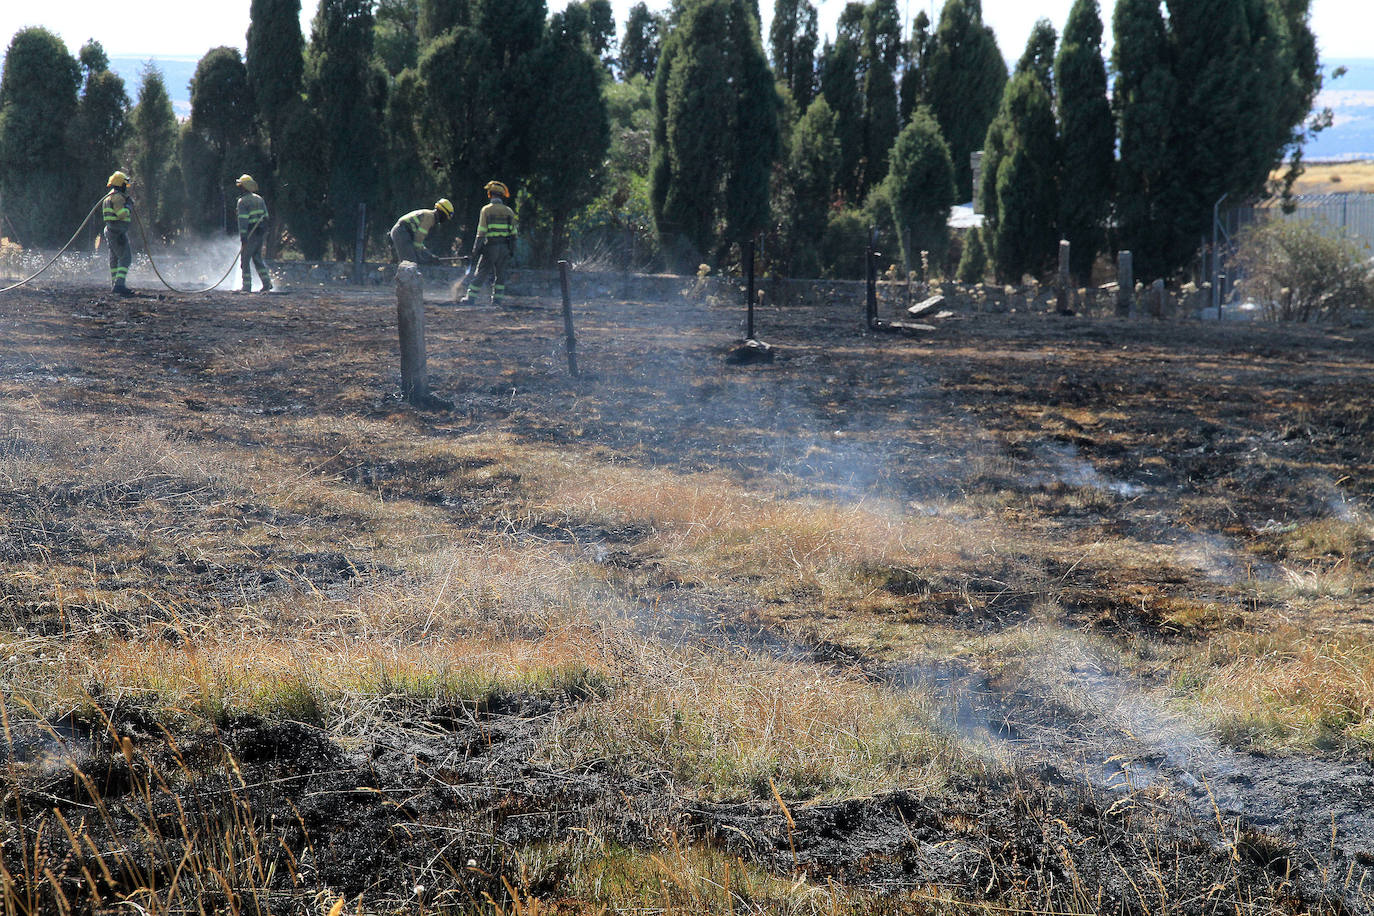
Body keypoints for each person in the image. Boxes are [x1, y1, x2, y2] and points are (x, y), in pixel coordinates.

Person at [460, 180, 516, 305]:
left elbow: (481, 232)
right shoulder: (509, 211)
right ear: (502, 195)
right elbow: (513, 234)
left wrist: (475, 250)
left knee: (481, 273)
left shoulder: (486, 210)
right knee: (500, 276)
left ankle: (470, 298)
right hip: (505, 248)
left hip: (491, 247)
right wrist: (511, 250)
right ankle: (497, 300)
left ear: (490, 194)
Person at [235, 175, 272, 292]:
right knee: (257, 259)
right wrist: (262, 230)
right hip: (260, 234)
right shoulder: (259, 199)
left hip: (250, 234)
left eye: (240, 186)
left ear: (244, 187)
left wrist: (243, 237)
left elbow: (243, 221)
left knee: (245, 260)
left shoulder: (242, 202)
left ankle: (246, 286)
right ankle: (267, 283)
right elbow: (266, 217)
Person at [390, 199, 453, 265]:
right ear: (442, 213)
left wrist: (430, 256)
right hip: (401, 232)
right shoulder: (430, 217)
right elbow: (419, 237)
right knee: (410, 262)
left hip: (403, 232)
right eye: (446, 217)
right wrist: (421, 256)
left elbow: (419, 243)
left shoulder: (428, 215)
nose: (445, 220)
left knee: (414, 261)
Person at [102, 171, 134, 296]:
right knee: (125, 258)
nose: (126, 187)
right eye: (125, 184)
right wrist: (129, 206)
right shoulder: (118, 198)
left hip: (111, 231)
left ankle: (115, 284)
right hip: (117, 232)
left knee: (114, 260)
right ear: (121, 184)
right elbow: (121, 214)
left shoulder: (108, 197)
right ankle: (119, 285)